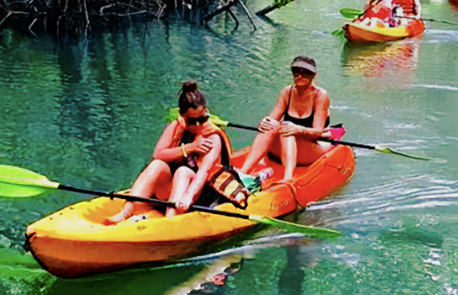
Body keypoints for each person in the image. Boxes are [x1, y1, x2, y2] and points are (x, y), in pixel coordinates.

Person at [107, 80, 243, 223]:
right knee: (158, 164)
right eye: (192, 121)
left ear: (206, 112)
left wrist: (188, 196)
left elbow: (203, 172)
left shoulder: (212, 136)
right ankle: (127, 211)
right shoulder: (176, 127)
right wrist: (190, 147)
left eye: (202, 119)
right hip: (172, 188)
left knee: (183, 171)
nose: (197, 125)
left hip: (199, 192)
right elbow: (158, 154)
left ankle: (170, 220)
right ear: (183, 116)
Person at [236, 55, 334, 187]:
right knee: (271, 126)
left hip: (309, 149)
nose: (300, 76)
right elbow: (273, 118)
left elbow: (317, 132)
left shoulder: (320, 95)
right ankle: (244, 171)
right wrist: (264, 122)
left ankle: (288, 177)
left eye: (305, 72)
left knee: (287, 128)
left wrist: (297, 129)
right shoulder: (287, 92)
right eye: (296, 72)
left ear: (313, 75)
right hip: (285, 147)